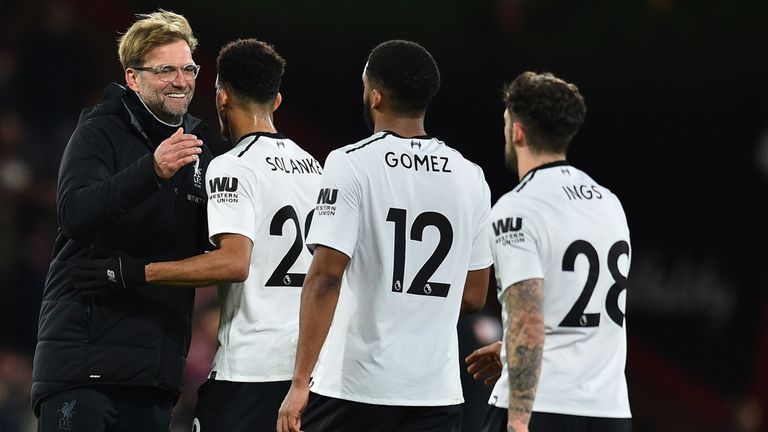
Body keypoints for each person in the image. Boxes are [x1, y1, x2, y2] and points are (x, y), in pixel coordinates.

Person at [84, 38, 320, 431]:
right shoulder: (316, 168)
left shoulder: (233, 167)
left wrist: (136, 272)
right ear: (276, 101)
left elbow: (233, 262)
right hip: (309, 371)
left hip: (250, 370)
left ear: (222, 97)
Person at [277, 39, 493, 432]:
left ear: (374, 97)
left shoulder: (350, 163)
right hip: (436, 393)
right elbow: (475, 294)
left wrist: (298, 382)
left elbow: (326, 276)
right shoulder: (471, 177)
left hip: (355, 388)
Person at [31, 10, 212, 431]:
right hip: (83, 367)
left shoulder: (200, 151)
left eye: (188, 69)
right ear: (133, 78)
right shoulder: (100, 131)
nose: (181, 81)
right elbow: (74, 214)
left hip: (154, 373)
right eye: (165, 70)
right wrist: (152, 170)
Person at [465, 71, 632, 432]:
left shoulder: (517, 209)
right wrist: (509, 351)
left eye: (506, 122)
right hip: (609, 410)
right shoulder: (609, 203)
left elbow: (528, 323)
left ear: (518, 132)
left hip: (544, 407)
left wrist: (520, 421)